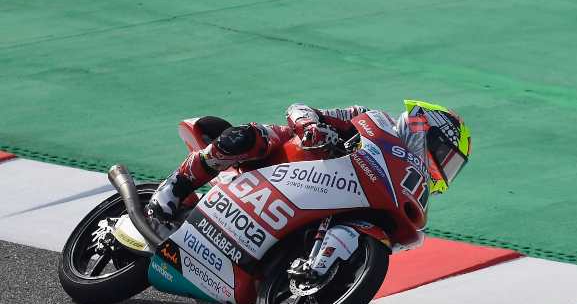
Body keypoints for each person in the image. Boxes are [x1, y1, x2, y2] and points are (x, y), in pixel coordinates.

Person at [146, 100, 472, 224]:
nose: (441, 168)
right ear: (425, 130)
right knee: (253, 137)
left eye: (450, 167)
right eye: (444, 157)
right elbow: (299, 107)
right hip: (279, 157)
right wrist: (312, 127)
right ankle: (177, 185)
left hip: (300, 202)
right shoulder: (370, 120)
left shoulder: (394, 177)